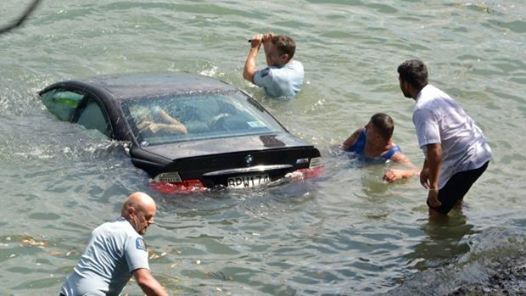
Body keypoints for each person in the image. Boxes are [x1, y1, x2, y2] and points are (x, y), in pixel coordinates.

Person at [397, 59, 492, 216]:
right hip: (480, 152)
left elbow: (435, 150)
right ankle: (459, 230)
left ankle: (441, 239)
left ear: (406, 83)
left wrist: (433, 189)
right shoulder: (434, 93)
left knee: (435, 209)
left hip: (467, 162)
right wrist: (427, 166)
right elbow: (437, 138)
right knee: (454, 200)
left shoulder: (422, 110)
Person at [60, 192, 169, 296]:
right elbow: (144, 280)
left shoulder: (102, 228)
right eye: (147, 217)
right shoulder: (133, 237)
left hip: (68, 291)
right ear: (131, 213)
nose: (151, 222)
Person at [342, 113, 419, 182]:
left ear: (377, 137)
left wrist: (401, 173)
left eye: (369, 127)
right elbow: (343, 147)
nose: (365, 127)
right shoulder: (360, 134)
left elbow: (418, 172)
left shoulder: (395, 155)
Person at [243, 32, 304, 98]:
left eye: (271, 54)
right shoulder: (298, 66)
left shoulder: (272, 75)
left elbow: (247, 74)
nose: (269, 55)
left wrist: (254, 48)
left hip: (270, 106)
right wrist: (266, 44)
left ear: (284, 57)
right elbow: (274, 67)